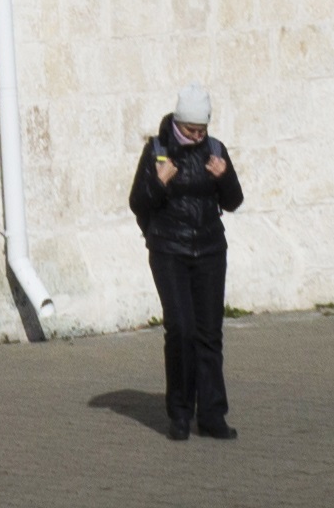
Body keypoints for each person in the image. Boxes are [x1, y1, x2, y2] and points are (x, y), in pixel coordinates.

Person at [126, 87, 244, 441]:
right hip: (169, 250)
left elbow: (234, 201)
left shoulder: (216, 149)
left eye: (201, 130)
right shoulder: (158, 151)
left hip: (210, 249)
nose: (196, 136)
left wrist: (224, 177)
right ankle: (179, 414)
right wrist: (157, 184)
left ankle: (211, 415)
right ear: (178, 123)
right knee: (181, 329)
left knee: (210, 334)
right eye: (190, 129)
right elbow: (138, 203)